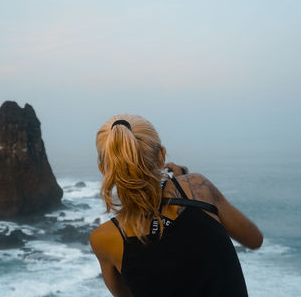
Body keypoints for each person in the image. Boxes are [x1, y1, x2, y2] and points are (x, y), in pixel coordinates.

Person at [89, 114, 263, 297]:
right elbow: (254, 239)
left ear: (103, 169)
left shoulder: (104, 239)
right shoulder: (199, 188)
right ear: (162, 156)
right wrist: (181, 182)